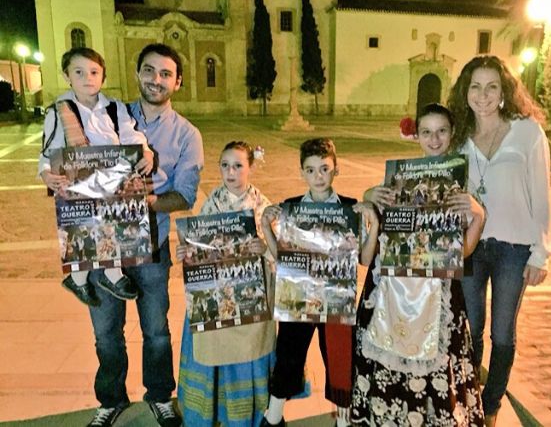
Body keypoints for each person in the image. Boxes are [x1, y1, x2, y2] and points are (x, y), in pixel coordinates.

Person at [85, 43, 204, 427]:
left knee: (156, 330)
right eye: (149, 70)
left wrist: (140, 203)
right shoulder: (106, 118)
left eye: (166, 73)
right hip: (104, 247)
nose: (156, 79)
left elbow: (184, 195)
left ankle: (160, 395)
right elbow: (79, 163)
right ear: (137, 73)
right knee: (106, 333)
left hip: (153, 246)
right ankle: (111, 399)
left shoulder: (187, 135)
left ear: (177, 82)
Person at [351, 103, 486, 426]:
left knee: (439, 357)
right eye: (427, 132)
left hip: (437, 288)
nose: (434, 139)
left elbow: (463, 252)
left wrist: (479, 217)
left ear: (452, 134)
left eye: (441, 131)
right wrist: (370, 194)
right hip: (392, 286)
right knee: (387, 348)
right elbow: (374, 216)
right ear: (417, 136)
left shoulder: (460, 188)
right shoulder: (399, 180)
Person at [447, 55, 551, 426]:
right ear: (465, 93)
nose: (483, 95)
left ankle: (491, 406)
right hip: (471, 245)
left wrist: (541, 253)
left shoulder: (527, 132)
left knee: (502, 332)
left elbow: (542, 195)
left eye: (492, 86)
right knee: (470, 328)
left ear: (504, 91)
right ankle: (470, 397)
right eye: (475, 87)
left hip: (514, 248)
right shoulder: (458, 137)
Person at [260, 138, 378, 427]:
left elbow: (365, 259)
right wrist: (266, 226)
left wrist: (373, 224)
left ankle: (343, 420)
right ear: (302, 172)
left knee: (340, 359)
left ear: (336, 169)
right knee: (288, 354)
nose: (318, 176)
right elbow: (284, 259)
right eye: (311, 170)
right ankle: (273, 417)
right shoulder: (291, 209)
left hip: (336, 301)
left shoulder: (350, 209)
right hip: (299, 298)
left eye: (325, 169)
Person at [39, 47, 154, 306]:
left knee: (112, 223)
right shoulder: (58, 111)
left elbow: (130, 134)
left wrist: (145, 150)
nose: (87, 78)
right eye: (79, 72)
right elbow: (48, 150)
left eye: (93, 72)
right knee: (84, 228)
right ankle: (89, 278)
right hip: (78, 180)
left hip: (111, 179)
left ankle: (103, 276)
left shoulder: (114, 108)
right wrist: (46, 173)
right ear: (67, 76)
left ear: (103, 76)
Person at [177, 140, 277, 427]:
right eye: (225, 165)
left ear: (250, 168)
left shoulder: (263, 206)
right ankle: (212, 413)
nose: (230, 172)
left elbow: (279, 253)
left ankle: (248, 415)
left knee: (248, 354)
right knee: (213, 351)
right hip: (217, 295)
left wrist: (264, 248)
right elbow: (198, 248)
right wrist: (186, 252)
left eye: (238, 166)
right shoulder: (211, 203)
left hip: (250, 298)